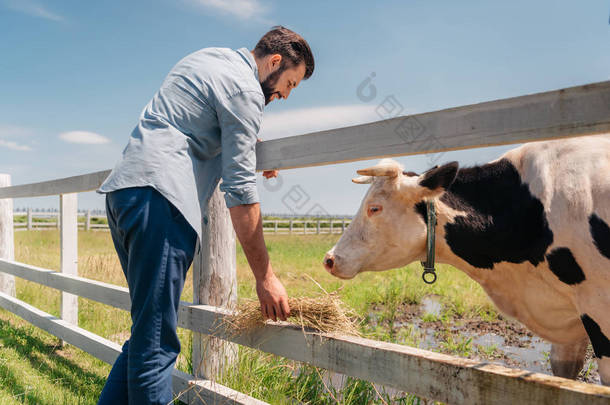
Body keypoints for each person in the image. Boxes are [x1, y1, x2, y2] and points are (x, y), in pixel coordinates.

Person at [96, 26, 315, 405]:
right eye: (290, 84)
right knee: (157, 347)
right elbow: (241, 193)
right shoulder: (247, 92)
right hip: (162, 203)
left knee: (147, 333)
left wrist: (247, 143)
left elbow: (196, 118)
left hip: (124, 192)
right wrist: (265, 277)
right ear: (274, 62)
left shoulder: (209, 58)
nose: (284, 95)